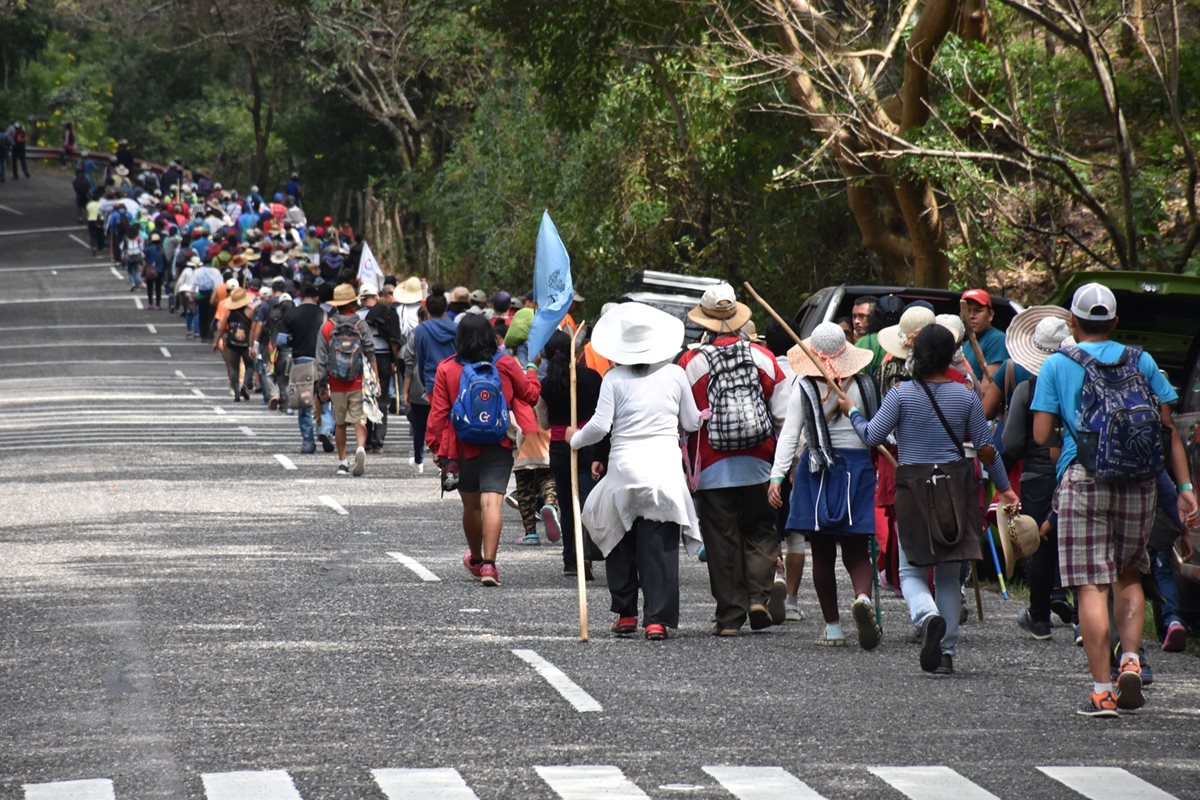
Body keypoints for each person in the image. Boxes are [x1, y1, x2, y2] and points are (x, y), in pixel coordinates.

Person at [1031, 282, 1197, 717]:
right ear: (1116, 322)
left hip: (1084, 479)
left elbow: (1041, 435)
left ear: (1073, 322)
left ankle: (1102, 690)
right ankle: (1131, 659)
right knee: (1129, 572)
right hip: (1139, 483)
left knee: (1091, 585)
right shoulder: (1140, 359)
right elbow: (1167, 431)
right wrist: (1184, 489)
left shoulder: (1057, 365)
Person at [841, 324, 1018, 675]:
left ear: (916, 355)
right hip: (956, 487)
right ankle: (947, 651)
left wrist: (853, 412)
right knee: (949, 575)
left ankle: (927, 615)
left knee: (910, 571)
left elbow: (873, 435)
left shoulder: (901, 394)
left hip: (915, 488)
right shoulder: (966, 395)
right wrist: (1005, 488)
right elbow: (985, 450)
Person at [566, 303, 702, 639]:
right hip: (663, 473)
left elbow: (599, 427)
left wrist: (575, 440)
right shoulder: (675, 374)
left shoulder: (613, 378)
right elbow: (689, 421)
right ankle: (655, 619)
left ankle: (625, 613)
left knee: (617, 537)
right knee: (658, 546)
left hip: (623, 471)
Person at [678, 283, 789, 636]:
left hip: (711, 467)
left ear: (705, 320)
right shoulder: (763, 357)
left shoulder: (691, 363)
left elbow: (684, 418)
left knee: (722, 538)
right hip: (759, 461)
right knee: (761, 530)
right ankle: (758, 596)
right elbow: (783, 414)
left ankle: (730, 617)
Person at [770, 322, 881, 648]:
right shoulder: (863, 385)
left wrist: (777, 476)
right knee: (857, 549)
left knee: (821, 552)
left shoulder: (803, 387)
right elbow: (877, 430)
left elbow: (790, 434)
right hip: (857, 469)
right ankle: (862, 597)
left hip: (816, 470)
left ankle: (833, 628)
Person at [426, 313, 542, 587]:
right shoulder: (504, 363)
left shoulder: (447, 368)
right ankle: (490, 565)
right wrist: (533, 371)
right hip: (498, 442)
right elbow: (530, 395)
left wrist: (436, 448)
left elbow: (439, 413)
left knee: (471, 506)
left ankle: (476, 559)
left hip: (460, 447)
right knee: (492, 503)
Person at [1000, 307, 1074, 641]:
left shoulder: (1027, 389)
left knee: (1041, 545)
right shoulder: (1080, 380)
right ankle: (1084, 620)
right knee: (1079, 542)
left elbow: (1011, 441)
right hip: (1077, 469)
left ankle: (1040, 616)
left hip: (1038, 477)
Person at [538, 330, 602, 577]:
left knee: (566, 503)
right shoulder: (592, 378)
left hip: (559, 447)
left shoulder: (546, 384)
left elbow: (543, 423)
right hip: (588, 444)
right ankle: (585, 556)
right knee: (586, 502)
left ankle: (570, 559)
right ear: (574, 353)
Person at [316, 284, 374, 476]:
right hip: (357, 380)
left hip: (336, 382)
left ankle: (343, 462)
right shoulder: (360, 325)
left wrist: (322, 386)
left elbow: (321, 360)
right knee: (358, 419)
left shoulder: (327, 327)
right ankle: (360, 447)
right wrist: (376, 378)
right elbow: (370, 351)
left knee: (339, 423)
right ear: (353, 303)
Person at [285, 282, 334, 454]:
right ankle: (326, 430)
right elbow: (329, 339)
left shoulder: (292, 314)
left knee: (304, 404)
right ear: (317, 297)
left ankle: (308, 442)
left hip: (301, 363)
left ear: (301, 296)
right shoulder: (323, 314)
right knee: (325, 399)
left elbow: (282, 341)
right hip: (321, 363)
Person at [400, 306, 431, 473]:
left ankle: (419, 460)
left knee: (419, 425)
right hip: (440, 383)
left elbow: (409, 363)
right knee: (440, 424)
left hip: (419, 384)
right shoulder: (444, 331)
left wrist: (405, 391)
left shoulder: (416, 333)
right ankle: (443, 459)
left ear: (419, 318)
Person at [215, 288, 255, 401]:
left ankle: (237, 394)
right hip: (246, 344)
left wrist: (217, 341)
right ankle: (245, 384)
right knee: (250, 366)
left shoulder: (229, 313)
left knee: (234, 368)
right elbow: (254, 327)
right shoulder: (250, 312)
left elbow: (222, 328)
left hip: (232, 343)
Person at [961, 288, 1007, 382]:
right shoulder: (964, 345)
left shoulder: (997, 340)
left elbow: (988, 389)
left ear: (990, 315)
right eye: (967, 311)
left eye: (978, 311)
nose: (971, 316)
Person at [142, 232, 167, 309]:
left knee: (150, 288)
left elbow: (145, 261)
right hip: (160, 270)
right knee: (158, 288)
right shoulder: (162, 249)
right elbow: (165, 261)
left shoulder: (148, 249)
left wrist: (143, 271)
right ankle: (158, 304)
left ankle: (150, 303)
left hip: (150, 271)